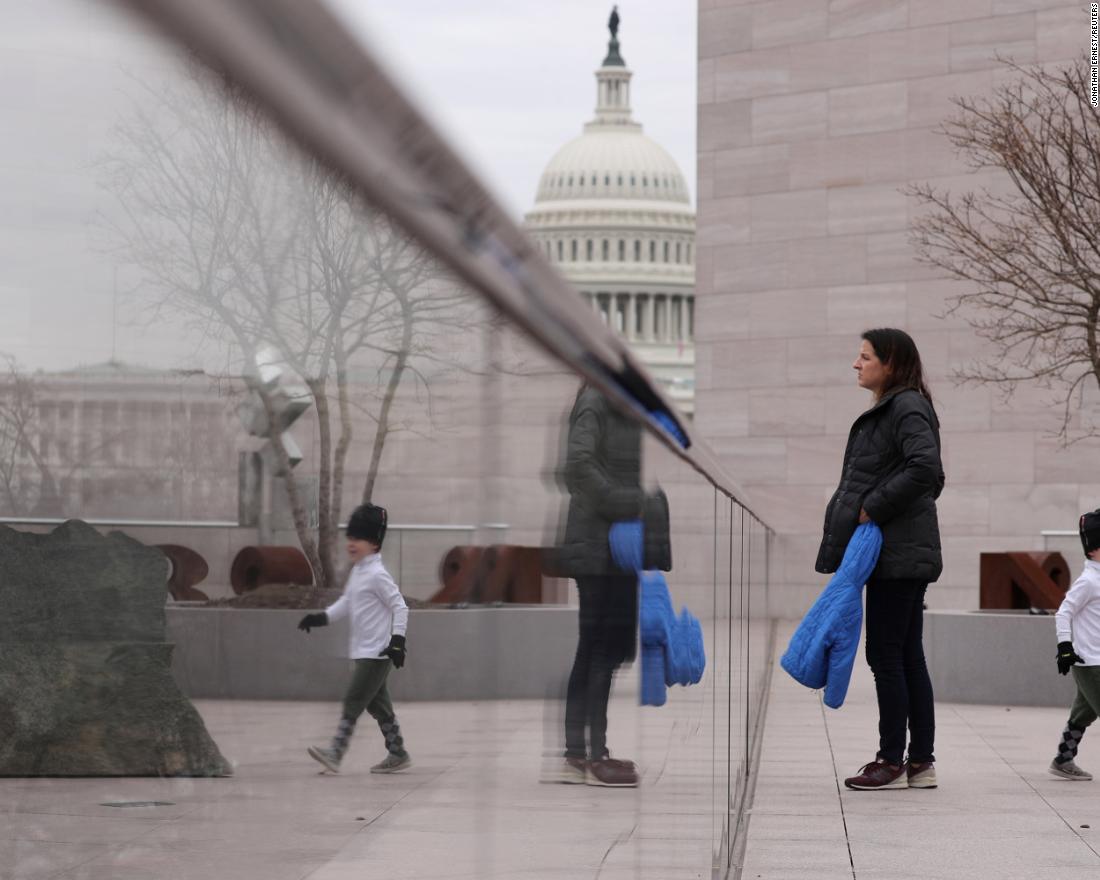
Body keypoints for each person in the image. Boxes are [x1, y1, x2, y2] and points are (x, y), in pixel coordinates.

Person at [816, 328, 944, 791]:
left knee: (886, 654)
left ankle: (891, 759)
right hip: (898, 551)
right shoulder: (901, 407)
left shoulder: (906, 406)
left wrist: (875, 506)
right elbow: (929, 474)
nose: (857, 363)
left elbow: (927, 471)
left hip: (897, 553)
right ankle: (921, 763)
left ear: (890, 363)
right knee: (906, 655)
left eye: (866, 356)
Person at [544, 383, 656, 788]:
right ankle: (587, 755)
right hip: (596, 546)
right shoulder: (597, 399)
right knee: (598, 650)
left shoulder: (615, 401)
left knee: (600, 650)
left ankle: (583, 754)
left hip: (609, 546)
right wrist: (628, 501)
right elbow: (578, 466)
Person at [297, 502, 411, 774]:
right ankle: (398, 752)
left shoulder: (377, 575)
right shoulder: (359, 572)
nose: (351, 543)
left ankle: (335, 752)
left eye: (359, 538)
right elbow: (346, 604)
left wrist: (398, 641)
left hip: (378, 653)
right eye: (350, 536)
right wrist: (320, 618)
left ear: (374, 543)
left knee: (354, 699)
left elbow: (400, 606)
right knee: (378, 704)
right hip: (363, 651)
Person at [1048, 509, 1100, 781]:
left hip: (1096, 659)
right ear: (1094, 550)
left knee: (1084, 711)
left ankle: (1063, 759)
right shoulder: (1088, 581)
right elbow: (1063, 612)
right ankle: (1063, 759)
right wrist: (1064, 647)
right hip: (1090, 661)